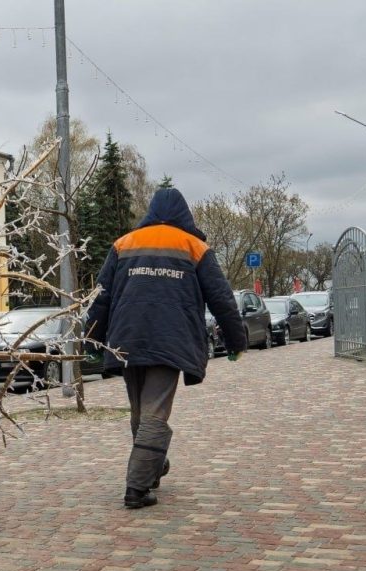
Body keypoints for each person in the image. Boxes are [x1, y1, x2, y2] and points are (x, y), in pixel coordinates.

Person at [85, 188, 246, 509]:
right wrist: (235, 341)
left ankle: (152, 467)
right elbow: (222, 299)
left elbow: (100, 296)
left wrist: (90, 338)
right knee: (155, 412)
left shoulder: (124, 244)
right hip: (169, 339)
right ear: (185, 215)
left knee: (140, 411)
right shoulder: (194, 247)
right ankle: (137, 487)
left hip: (126, 339)